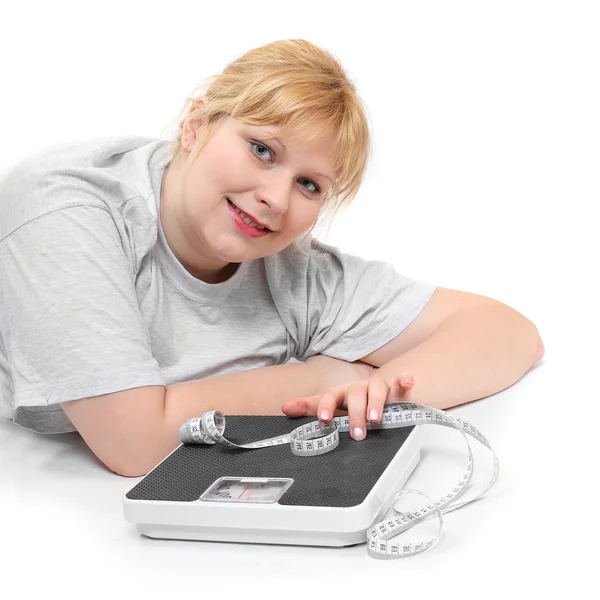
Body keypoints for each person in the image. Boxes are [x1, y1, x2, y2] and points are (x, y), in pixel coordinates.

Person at [0, 39, 543, 477]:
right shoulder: (66, 205)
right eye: (262, 149)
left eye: (308, 184)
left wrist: (373, 391)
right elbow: (134, 444)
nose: (276, 200)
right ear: (194, 125)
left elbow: (509, 332)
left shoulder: (293, 271)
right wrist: (320, 378)